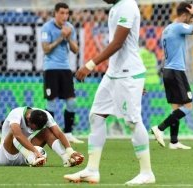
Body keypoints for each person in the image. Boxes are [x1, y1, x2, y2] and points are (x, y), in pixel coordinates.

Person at [64, 0, 155, 185]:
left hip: (128, 73)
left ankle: (147, 173)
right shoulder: (115, 7)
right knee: (96, 116)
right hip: (113, 73)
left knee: (132, 121)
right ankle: (92, 170)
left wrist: (90, 64)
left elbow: (118, 43)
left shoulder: (128, 5)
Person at [150, 2, 193, 149]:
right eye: (190, 16)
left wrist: (192, 15)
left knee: (176, 109)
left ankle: (174, 142)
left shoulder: (167, 28)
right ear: (184, 15)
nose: (191, 19)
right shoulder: (178, 27)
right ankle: (160, 128)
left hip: (167, 70)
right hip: (176, 71)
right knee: (188, 107)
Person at [40, 2, 83, 144]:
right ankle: (49, 133)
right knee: (51, 102)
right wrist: (60, 37)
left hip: (65, 68)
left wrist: (68, 37)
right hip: (50, 68)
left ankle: (68, 133)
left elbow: (76, 50)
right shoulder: (47, 27)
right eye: (62, 13)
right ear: (55, 13)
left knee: (71, 102)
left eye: (67, 13)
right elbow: (46, 49)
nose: (65, 16)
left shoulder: (70, 28)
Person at [0, 106, 84, 167]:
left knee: (47, 131)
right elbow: (18, 135)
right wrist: (35, 151)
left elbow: (59, 133)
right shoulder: (16, 113)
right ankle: (30, 156)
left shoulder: (45, 115)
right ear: (29, 119)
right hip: (5, 155)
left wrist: (70, 150)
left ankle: (66, 159)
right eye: (32, 128)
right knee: (15, 132)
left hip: (26, 153)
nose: (32, 131)